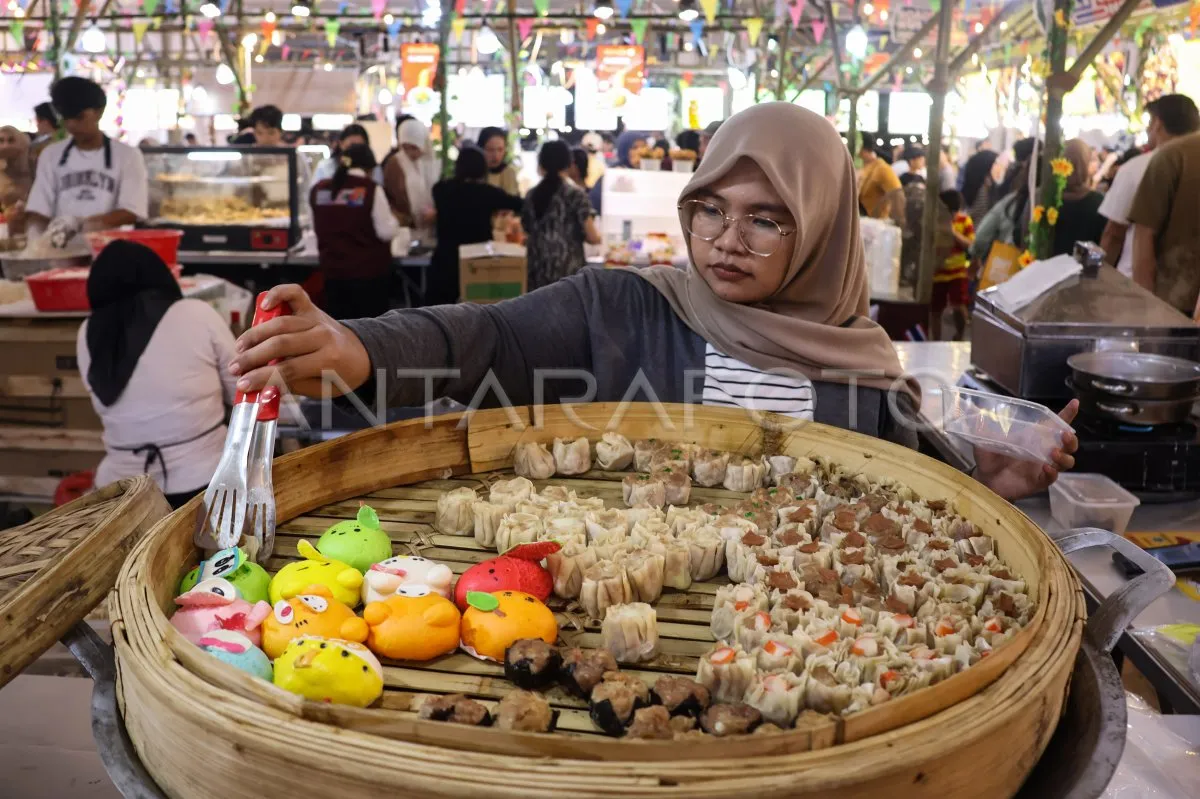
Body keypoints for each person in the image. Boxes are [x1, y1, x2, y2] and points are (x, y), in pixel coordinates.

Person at [229, 103, 1078, 502]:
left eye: (765, 219)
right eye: (708, 208)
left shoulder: (857, 360)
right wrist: (359, 349)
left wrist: (984, 469)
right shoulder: (624, 310)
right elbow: (482, 336)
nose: (724, 240)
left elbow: (900, 463)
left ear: (820, 231)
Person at [77, 241, 237, 510]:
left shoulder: (87, 332)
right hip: (206, 482)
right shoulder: (197, 314)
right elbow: (242, 391)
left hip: (123, 492)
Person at [24, 77, 147, 241]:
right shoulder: (51, 155)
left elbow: (131, 211)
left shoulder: (128, 156)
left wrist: (81, 224)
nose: (72, 125)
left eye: (80, 117)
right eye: (66, 118)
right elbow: (39, 208)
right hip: (63, 251)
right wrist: (35, 236)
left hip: (111, 250)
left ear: (99, 112)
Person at [1099, 95, 1199, 276]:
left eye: (1149, 122)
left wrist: (1099, 279)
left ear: (1158, 123)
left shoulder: (1136, 168)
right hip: (1186, 290)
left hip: (1137, 285)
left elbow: (1113, 235)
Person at [309, 143, 398, 320]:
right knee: (370, 336)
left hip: (332, 276)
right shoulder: (370, 189)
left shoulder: (319, 190)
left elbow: (315, 227)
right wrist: (396, 223)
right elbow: (385, 231)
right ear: (370, 168)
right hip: (368, 278)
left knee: (340, 331)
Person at [429, 146, 524, 305]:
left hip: (445, 261)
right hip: (477, 262)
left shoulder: (440, 190)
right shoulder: (488, 193)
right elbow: (519, 204)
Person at [1128, 127, 1200, 314]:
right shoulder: (1175, 156)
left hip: (1171, 309)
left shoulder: (1174, 155)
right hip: (1175, 311)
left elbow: (1142, 239)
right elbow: (1144, 240)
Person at [522, 140, 601, 291]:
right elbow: (592, 237)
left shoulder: (531, 195)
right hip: (568, 274)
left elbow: (526, 229)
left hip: (537, 272)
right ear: (568, 164)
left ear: (541, 164)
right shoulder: (576, 195)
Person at [383, 117, 439, 242]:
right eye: (405, 147)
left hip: (432, 228)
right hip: (405, 231)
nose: (409, 153)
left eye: (414, 148)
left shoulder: (430, 162)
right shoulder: (395, 163)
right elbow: (390, 197)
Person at [1048, 139, 1106, 258]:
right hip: (1082, 273)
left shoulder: (1044, 196)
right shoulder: (1098, 202)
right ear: (1084, 164)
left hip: (1042, 272)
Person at [931, 191, 974, 342]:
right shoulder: (935, 221)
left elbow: (970, 244)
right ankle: (935, 341)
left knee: (959, 306)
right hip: (938, 272)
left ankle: (960, 336)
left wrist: (953, 233)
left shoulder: (964, 221)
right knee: (935, 310)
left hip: (958, 272)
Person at [589, 130, 647, 214]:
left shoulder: (649, 173)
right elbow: (595, 200)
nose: (640, 151)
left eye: (644, 147)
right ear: (624, 149)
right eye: (635, 147)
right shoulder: (614, 172)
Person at [312, 124, 382, 187]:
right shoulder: (324, 167)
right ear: (341, 144)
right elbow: (314, 195)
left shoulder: (375, 169)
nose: (355, 153)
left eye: (360, 148)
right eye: (350, 147)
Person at [858, 143, 904, 226]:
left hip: (878, 225)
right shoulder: (865, 166)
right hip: (866, 223)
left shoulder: (882, 168)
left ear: (864, 149)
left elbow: (897, 193)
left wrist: (899, 223)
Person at [0, 126, 32, 232]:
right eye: (1, 141)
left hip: (34, 226)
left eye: (11, 140)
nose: (5, 146)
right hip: (7, 228)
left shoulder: (34, 166)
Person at [477, 127, 520, 196]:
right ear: (480, 149)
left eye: (500, 150)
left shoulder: (509, 172)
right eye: (490, 150)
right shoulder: (475, 173)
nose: (496, 155)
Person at [961, 149, 1000, 225]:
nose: (998, 167)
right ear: (987, 166)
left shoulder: (979, 187)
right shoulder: (983, 191)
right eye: (995, 163)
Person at [30, 101, 60, 167]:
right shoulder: (70, 138)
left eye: (37, 121)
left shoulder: (40, 145)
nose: (37, 125)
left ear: (45, 121)